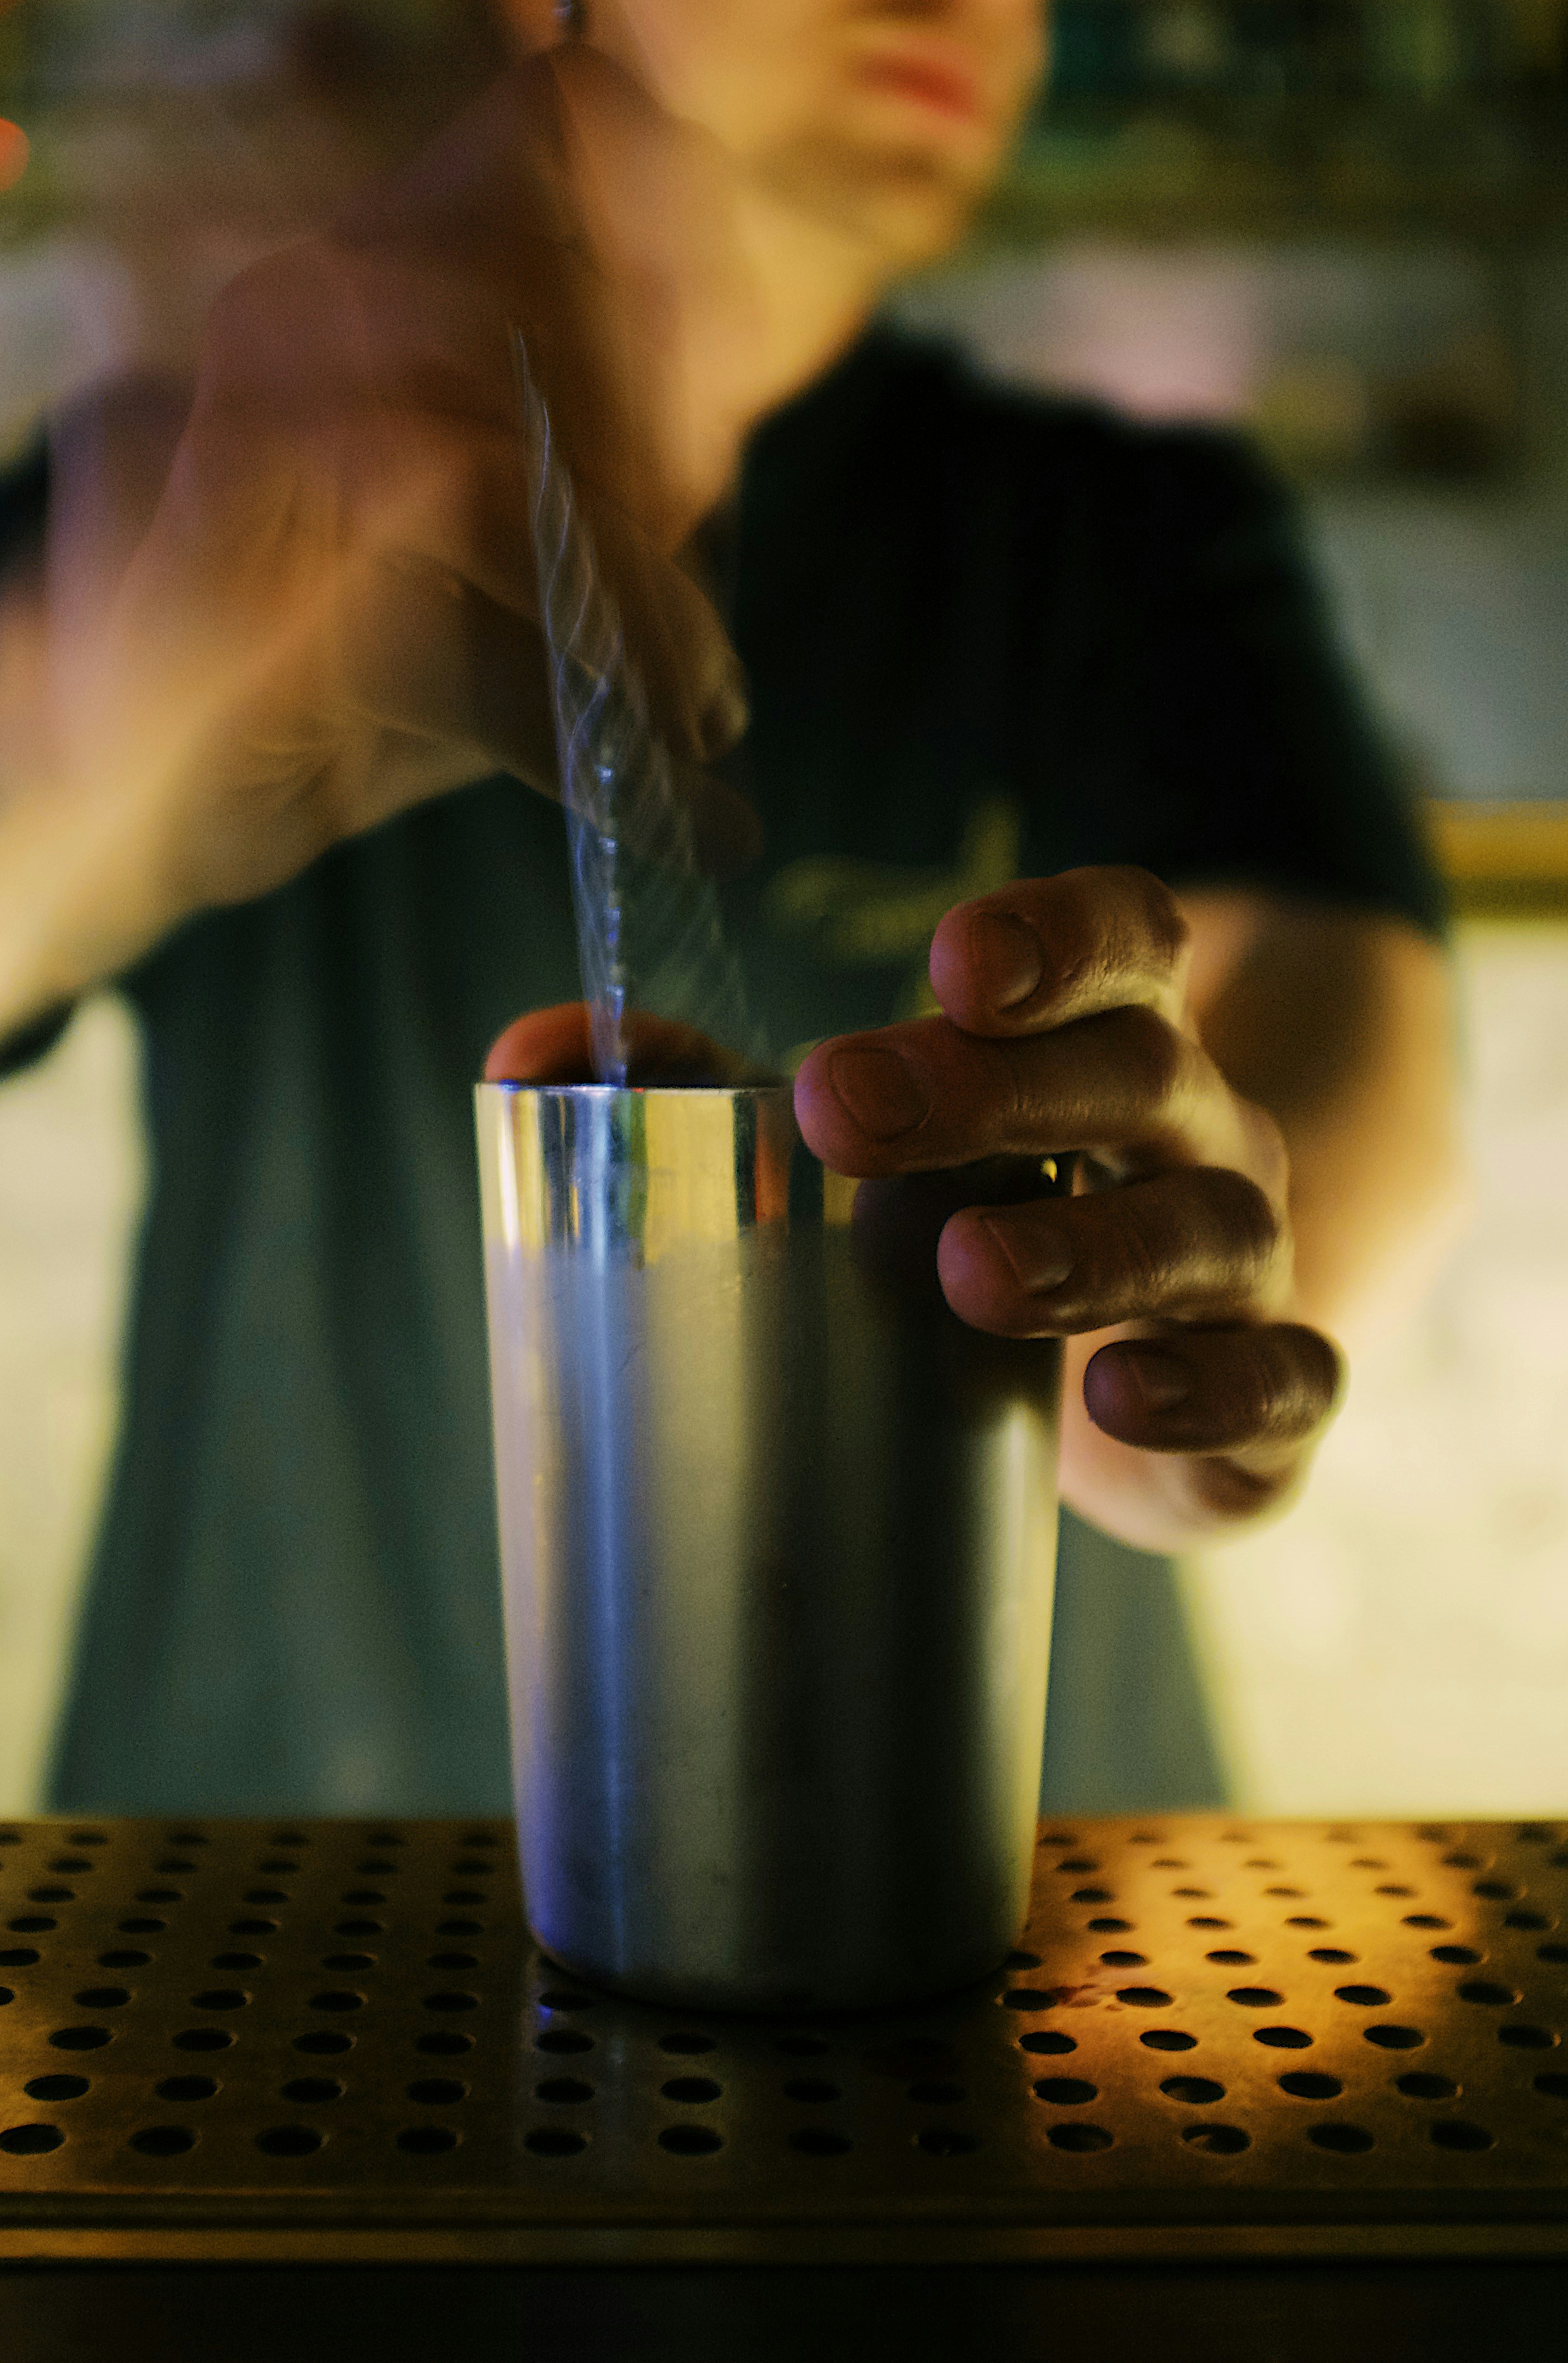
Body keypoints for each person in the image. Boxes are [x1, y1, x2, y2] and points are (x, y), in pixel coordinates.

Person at [0, 0, 1460, 1815]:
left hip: (1013, 1914)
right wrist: (91, 763)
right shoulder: (214, 468)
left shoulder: (1124, 530)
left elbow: (1342, 1009)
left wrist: (1189, 1311)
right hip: (280, 1889)